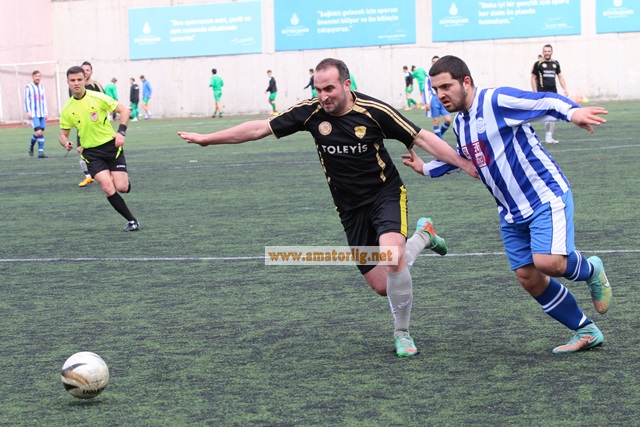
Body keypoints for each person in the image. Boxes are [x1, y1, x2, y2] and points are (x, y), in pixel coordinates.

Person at [178, 58, 477, 357]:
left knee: (392, 255)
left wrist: (463, 164)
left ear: (346, 84)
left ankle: (402, 333)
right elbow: (260, 128)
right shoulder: (310, 113)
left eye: (329, 89)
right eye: (318, 89)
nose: (323, 96)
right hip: (349, 208)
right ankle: (423, 237)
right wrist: (208, 140)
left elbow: (422, 137)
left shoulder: (374, 112)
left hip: (385, 195)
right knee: (382, 285)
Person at [402, 55, 612, 354]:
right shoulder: (461, 123)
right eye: (436, 90)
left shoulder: (496, 100)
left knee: (548, 263)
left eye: (446, 86)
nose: (440, 95)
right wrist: (424, 168)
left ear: (466, 81)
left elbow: (544, 100)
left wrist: (573, 112)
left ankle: (591, 270)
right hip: (510, 212)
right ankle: (586, 330)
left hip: (544, 195)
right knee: (528, 277)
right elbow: (464, 159)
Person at [59, 66, 140, 232]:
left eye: (79, 79)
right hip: (91, 153)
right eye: (72, 80)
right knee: (107, 188)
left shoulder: (98, 97)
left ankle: (123, 180)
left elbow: (124, 110)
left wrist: (121, 132)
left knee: (122, 188)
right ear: (68, 82)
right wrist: (65, 143)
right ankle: (132, 221)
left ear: (85, 80)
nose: (76, 83)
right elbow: (62, 135)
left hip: (112, 148)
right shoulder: (68, 109)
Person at [75, 61, 106, 187]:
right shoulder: (77, 87)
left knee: (101, 147)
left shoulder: (95, 85)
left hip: (96, 124)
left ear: (91, 72)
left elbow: (105, 101)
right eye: (83, 70)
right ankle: (88, 176)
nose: (85, 72)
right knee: (80, 150)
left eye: (87, 70)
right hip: (82, 124)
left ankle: (107, 173)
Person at [531, 44, 569, 144]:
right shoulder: (538, 64)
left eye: (548, 51)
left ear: (551, 52)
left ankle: (549, 136)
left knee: (552, 114)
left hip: (553, 92)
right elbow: (533, 78)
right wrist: (535, 92)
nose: (547, 53)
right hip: (542, 92)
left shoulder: (555, 63)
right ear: (543, 52)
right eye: (545, 51)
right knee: (544, 114)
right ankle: (534, 136)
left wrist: (565, 89)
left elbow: (560, 76)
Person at [424, 56, 452, 140]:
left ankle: (438, 137)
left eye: (437, 61)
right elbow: (426, 89)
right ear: (431, 63)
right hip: (434, 99)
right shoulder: (428, 76)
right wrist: (427, 102)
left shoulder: (445, 74)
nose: (435, 63)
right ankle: (441, 141)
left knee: (448, 120)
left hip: (444, 98)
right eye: (434, 62)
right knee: (436, 121)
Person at [24, 70, 48, 158]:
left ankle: (40, 153)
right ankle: (31, 146)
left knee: (41, 132)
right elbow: (26, 100)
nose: (37, 78)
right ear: (33, 77)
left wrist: (46, 112)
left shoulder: (42, 88)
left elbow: (44, 100)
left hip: (42, 114)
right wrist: (28, 112)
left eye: (39, 76)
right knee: (38, 132)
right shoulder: (28, 87)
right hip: (34, 114)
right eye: (36, 76)